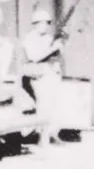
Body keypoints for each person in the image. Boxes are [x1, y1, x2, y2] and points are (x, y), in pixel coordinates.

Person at [20, 8, 67, 140]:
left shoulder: (49, 38)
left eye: (46, 23)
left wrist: (60, 47)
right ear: (35, 24)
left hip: (51, 75)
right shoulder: (29, 38)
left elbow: (56, 56)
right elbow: (34, 56)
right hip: (39, 76)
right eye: (41, 23)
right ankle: (42, 137)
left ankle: (53, 134)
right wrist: (52, 48)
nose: (44, 26)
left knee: (54, 107)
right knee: (43, 106)